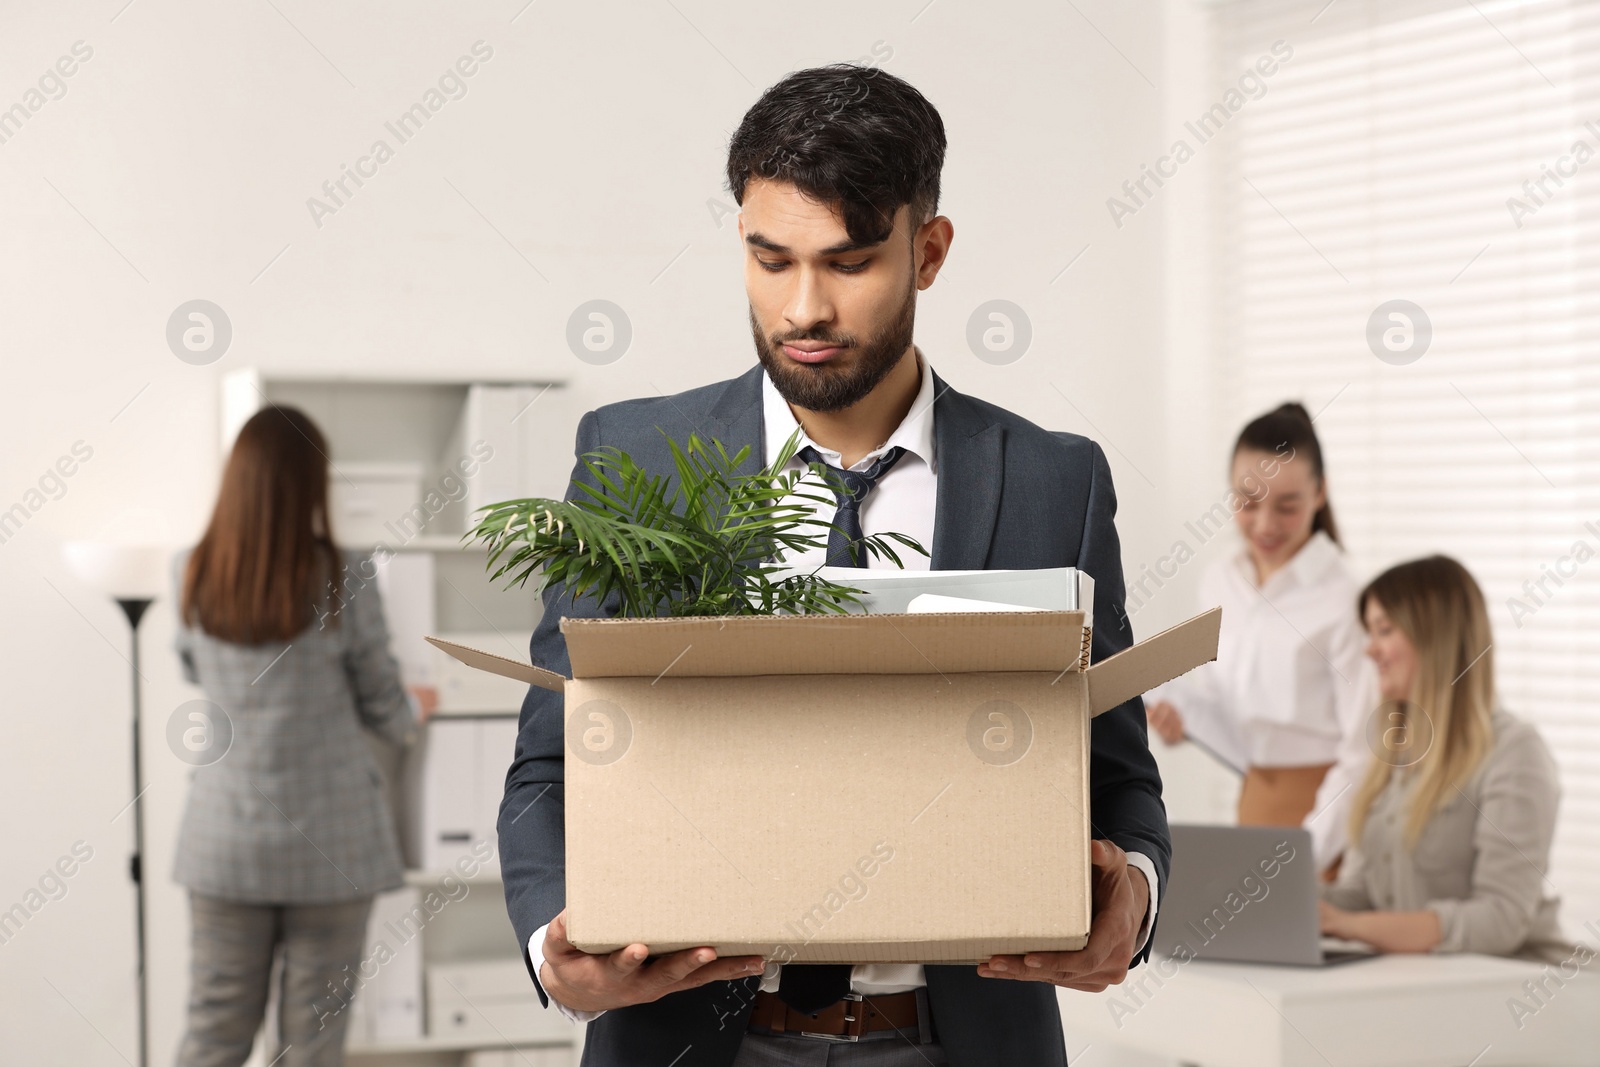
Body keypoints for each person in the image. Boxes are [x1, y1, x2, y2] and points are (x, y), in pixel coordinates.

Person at [498, 64, 1169, 1066]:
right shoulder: (630, 458)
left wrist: (1137, 898)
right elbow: (551, 765)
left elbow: (1115, 776)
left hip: (956, 1039)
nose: (802, 308)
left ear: (928, 251)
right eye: (771, 260)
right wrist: (557, 946)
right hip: (692, 1039)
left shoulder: (1051, 481)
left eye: (848, 263)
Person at [171, 405, 436, 1067]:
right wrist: (415, 708)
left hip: (224, 840)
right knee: (311, 1045)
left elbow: (192, 666)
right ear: (314, 481)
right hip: (334, 842)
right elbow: (382, 704)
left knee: (213, 1032)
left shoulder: (190, 570)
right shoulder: (344, 574)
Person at [1144, 403, 1376, 871]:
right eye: (1247, 503)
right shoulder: (1219, 581)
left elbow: (1364, 752)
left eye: (1287, 506)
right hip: (1252, 804)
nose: (1265, 525)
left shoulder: (1346, 599)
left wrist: (1309, 851)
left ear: (1320, 493)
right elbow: (1222, 703)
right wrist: (1181, 723)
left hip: (1330, 823)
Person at [1319, 556, 1573, 963]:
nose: (1369, 649)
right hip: (1429, 985)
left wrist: (1345, 925)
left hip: (1516, 984)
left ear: (1434, 637)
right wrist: (1298, 902)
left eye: (1384, 630)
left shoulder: (1514, 752)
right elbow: (1361, 895)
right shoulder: (1391, 753)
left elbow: (1500, 920)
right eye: (1369, 631)